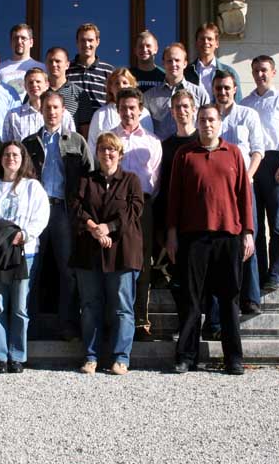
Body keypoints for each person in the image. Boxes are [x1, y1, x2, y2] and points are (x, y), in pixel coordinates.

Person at [167, 104, 254, 376]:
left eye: (212, 120)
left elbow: (244, 195)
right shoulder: (185, 154)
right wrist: (171, 233)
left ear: (220, 123)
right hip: (193, 237)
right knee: (191, 301)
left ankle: (233, 359)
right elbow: (174, 197)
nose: (207, 124)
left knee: (229, 300)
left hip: (228, 235)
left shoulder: (234, 153)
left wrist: (248, 232)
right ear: (197, 122)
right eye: (203, 119)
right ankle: (186, 356)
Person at [0, 141, 50, 373]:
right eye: (7, 154)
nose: (11, 158)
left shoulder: (32, 187)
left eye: (16, 155)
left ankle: (17, 356)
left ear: (23, 159)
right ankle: (0, 356)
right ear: (1, 159)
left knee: (20, 307)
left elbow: (41, 215)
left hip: (24, 252)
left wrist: (24, 235)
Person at [23, 91, 94, 341]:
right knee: (31, 269)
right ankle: (28, 327)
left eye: (56, 107)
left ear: (63, 111)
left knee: (67, 270)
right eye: (47, 107)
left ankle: (67, 325)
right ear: (41, 110)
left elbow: (89, 176)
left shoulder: (76, 141)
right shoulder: (29, 143)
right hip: (36, 212)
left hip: (64, 211)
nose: (51, 112)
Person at [71, 132, 144, 375]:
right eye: (103, 149)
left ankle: (121, 358)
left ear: (120, 154)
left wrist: (108, 227)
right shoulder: (86, 180)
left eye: (112, 149)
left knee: (122, 307)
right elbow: (76, 207)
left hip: (122, 252)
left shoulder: (131, 180)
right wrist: (94, 228)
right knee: (90, 306)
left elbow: (134, 210)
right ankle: (91, 356)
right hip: (89, 251)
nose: (107, 153)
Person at [240, 55, 279, 292]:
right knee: (255, 223)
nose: (260, 75)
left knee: (277, 224)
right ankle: (261, 273)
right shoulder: (246, 103)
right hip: (253, 163)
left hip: (275, 163)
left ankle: (275, 274)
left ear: (273, 72)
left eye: (264, 70)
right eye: (256, 70)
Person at [213, 70, 264, 312]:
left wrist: (248, 177)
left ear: (235, 89)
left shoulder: (248, 115)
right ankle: (222, 298)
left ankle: (250, 297)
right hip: (217, 191)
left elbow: (258, 151)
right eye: (218, 88)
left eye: (226, 87)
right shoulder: (209, 116)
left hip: (244, 187)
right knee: (220, 243)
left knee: (248, 238)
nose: (222, 92)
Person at [113, 87, 162, 341]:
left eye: (132, 108)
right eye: (123, 108)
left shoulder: (153, 142)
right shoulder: (110, 139)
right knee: (116, 261)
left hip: (143, 206)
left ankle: (141, 321)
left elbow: (156, 179)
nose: (128, 112)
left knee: (142, 263)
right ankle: (116, 320)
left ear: (140, 110)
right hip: (114, 206)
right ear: (117, 110)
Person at [153, 90, 199, 268]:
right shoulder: (165, 146)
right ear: (171, 112)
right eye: (177, 107)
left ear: (194, 109)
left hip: (199, 218)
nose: (181, 111)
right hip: (174, 218)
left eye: (186, 106)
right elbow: (163, 185)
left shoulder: (204, 142)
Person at [144, 43, 210, 140]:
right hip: (163, 148)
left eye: (177, 60)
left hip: (193, 146)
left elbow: (207, 123)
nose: (173, 64)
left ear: (185, 63)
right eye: (169, 61)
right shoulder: (149, 97)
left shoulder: (200, 94)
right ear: (163, 63)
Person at [87, 68, 154, 159]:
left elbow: (150, 142)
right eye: (117, 83)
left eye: (125, 83)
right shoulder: (100, 115)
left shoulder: (144, 113)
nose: (121, 86)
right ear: (110, 88)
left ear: (132, 86)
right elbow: (92, 148)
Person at [67, 23, 114, 136]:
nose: (86, 44)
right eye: (82, 40)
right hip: (72, 130)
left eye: (90, 40)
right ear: (77, 42)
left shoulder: (108, 71)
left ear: (97, 42)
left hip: (101, 130)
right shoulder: (66, 69)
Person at [3, 67, 75, 141]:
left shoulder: (63, 114)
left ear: (47, 85)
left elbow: (72, 142)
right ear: (25, 86)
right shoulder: (13, 116)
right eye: (30, 82)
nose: (34, 85)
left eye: (38, 81)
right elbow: (7, 144)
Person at [184, 22, 243, 101]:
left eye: (210, 39)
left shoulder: (229, 72)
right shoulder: (187, 72)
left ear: (217, 44)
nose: (206, 42)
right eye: (202, 39)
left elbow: (238, 103)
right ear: (196, 43)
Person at [0, 23, 46, 99]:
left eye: (23, 38)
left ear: (31, 42)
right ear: (11, 42)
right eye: (15, 38)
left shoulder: (42, 68)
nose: (19, 41)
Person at [45, 46, 83, 119]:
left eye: (58, 61)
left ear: (67, 65)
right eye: (50, 61)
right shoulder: (37, 92)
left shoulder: (79, 94)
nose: (53, 64)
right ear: (46, 64)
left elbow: (84, 125)